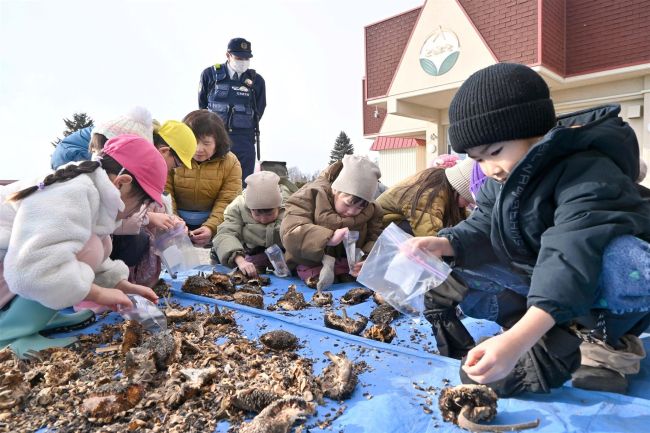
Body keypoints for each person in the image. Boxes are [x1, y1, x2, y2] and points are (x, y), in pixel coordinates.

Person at [405, 63, 650, 396]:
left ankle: (604, 348)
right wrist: (443, 243)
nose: (489, 168)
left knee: (622, 256)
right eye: (477, 159)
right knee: (458, 273)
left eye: (494, 152)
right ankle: (543, 325)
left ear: (535, 131)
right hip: (552, 282)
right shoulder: (504, 179)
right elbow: (484, 223)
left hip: (607, 288)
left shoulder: (586, 171)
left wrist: (519, 340)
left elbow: (570, 253)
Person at [0, 134, 167, 357]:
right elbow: (33, 270)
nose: (139, 212)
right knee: (90, 247)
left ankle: (40, 316)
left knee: (97, 243)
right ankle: (9, 335)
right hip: (15, 269)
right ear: (122, 183)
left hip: (12, 270)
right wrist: (98, 294)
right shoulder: (71, 192)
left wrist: (121, 285)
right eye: (142, 204)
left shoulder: (88, 185)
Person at [280, 155, 383, 290]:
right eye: (347, 204)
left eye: (360, 207)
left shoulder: (373, 210)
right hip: (310, 260)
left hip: (346, 262)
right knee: (313, 275)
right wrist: (327, 238)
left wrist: (367, 259)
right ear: (335, 190)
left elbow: (375, 238)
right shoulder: (309, 196)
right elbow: (291, 231)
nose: (352, 212)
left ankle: (341, 271)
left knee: (357, 275)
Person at [166, 109, 242, 247]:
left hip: (213, 218)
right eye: (194, 142)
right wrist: (173, 218)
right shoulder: (172, 156)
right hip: (176, 219)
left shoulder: (231, 162)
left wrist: (211, 227)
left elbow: (228, 199)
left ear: (217, 143)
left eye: (206, 143)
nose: (199, 149)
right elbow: (165, 191)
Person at [198, 37, 266, 183]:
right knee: (211, 181)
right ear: (228, 55)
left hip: (244, 139)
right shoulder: (209, 75)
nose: (243, 61)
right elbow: (202, 106)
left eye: (247, 58)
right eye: (239, 57)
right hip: (215, 137)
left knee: (242, 184)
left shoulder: (257, 81)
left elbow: (260, 108)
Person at [213, 171, 287, 277]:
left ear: (279, 207)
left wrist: (289, 258)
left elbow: (298, 237)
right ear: (249, 208)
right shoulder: (238, 207)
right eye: (257, 214)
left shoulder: (291, 206)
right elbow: (226, 234)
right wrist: (240, 260)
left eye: (269, 214)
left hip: (282, 251)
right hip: (250, 250)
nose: (263, 219)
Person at [377, 158, 474, 237]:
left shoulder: (444, 184)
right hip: (384, 225)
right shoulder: (432, 194)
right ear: (457, 189)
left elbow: (465, 218)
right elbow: (427, 232)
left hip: (394, 222)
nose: (468, 204)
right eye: (467, 199)